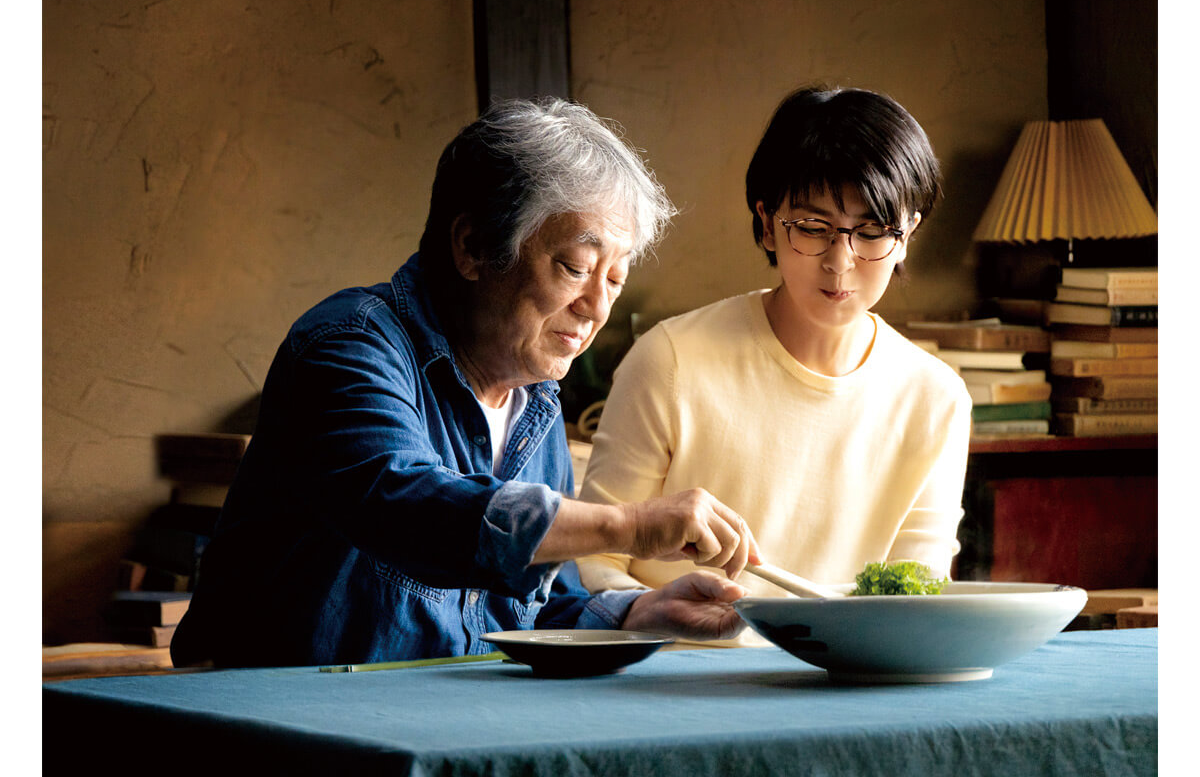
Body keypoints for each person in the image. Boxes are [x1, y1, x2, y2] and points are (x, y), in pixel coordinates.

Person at [171, 98, 759, 668]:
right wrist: (626, 526)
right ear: (474, 246)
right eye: (576, 268)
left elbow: (534, 613)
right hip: (286, 730)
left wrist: (640, 613)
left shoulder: (535, 402)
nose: (595, 308)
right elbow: (407, 508)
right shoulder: (348, 345)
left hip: (440, 731)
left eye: (615, 279)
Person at [575, 86, 971, 637]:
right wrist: (651, 610)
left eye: (873, 232)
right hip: (671, 682)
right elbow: (587, 563)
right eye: (812, 228)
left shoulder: (935, 398)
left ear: (908, 236)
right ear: (767, 223)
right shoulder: (671, 361)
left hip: (843, 691)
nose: (840, 262)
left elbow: (916, 595)